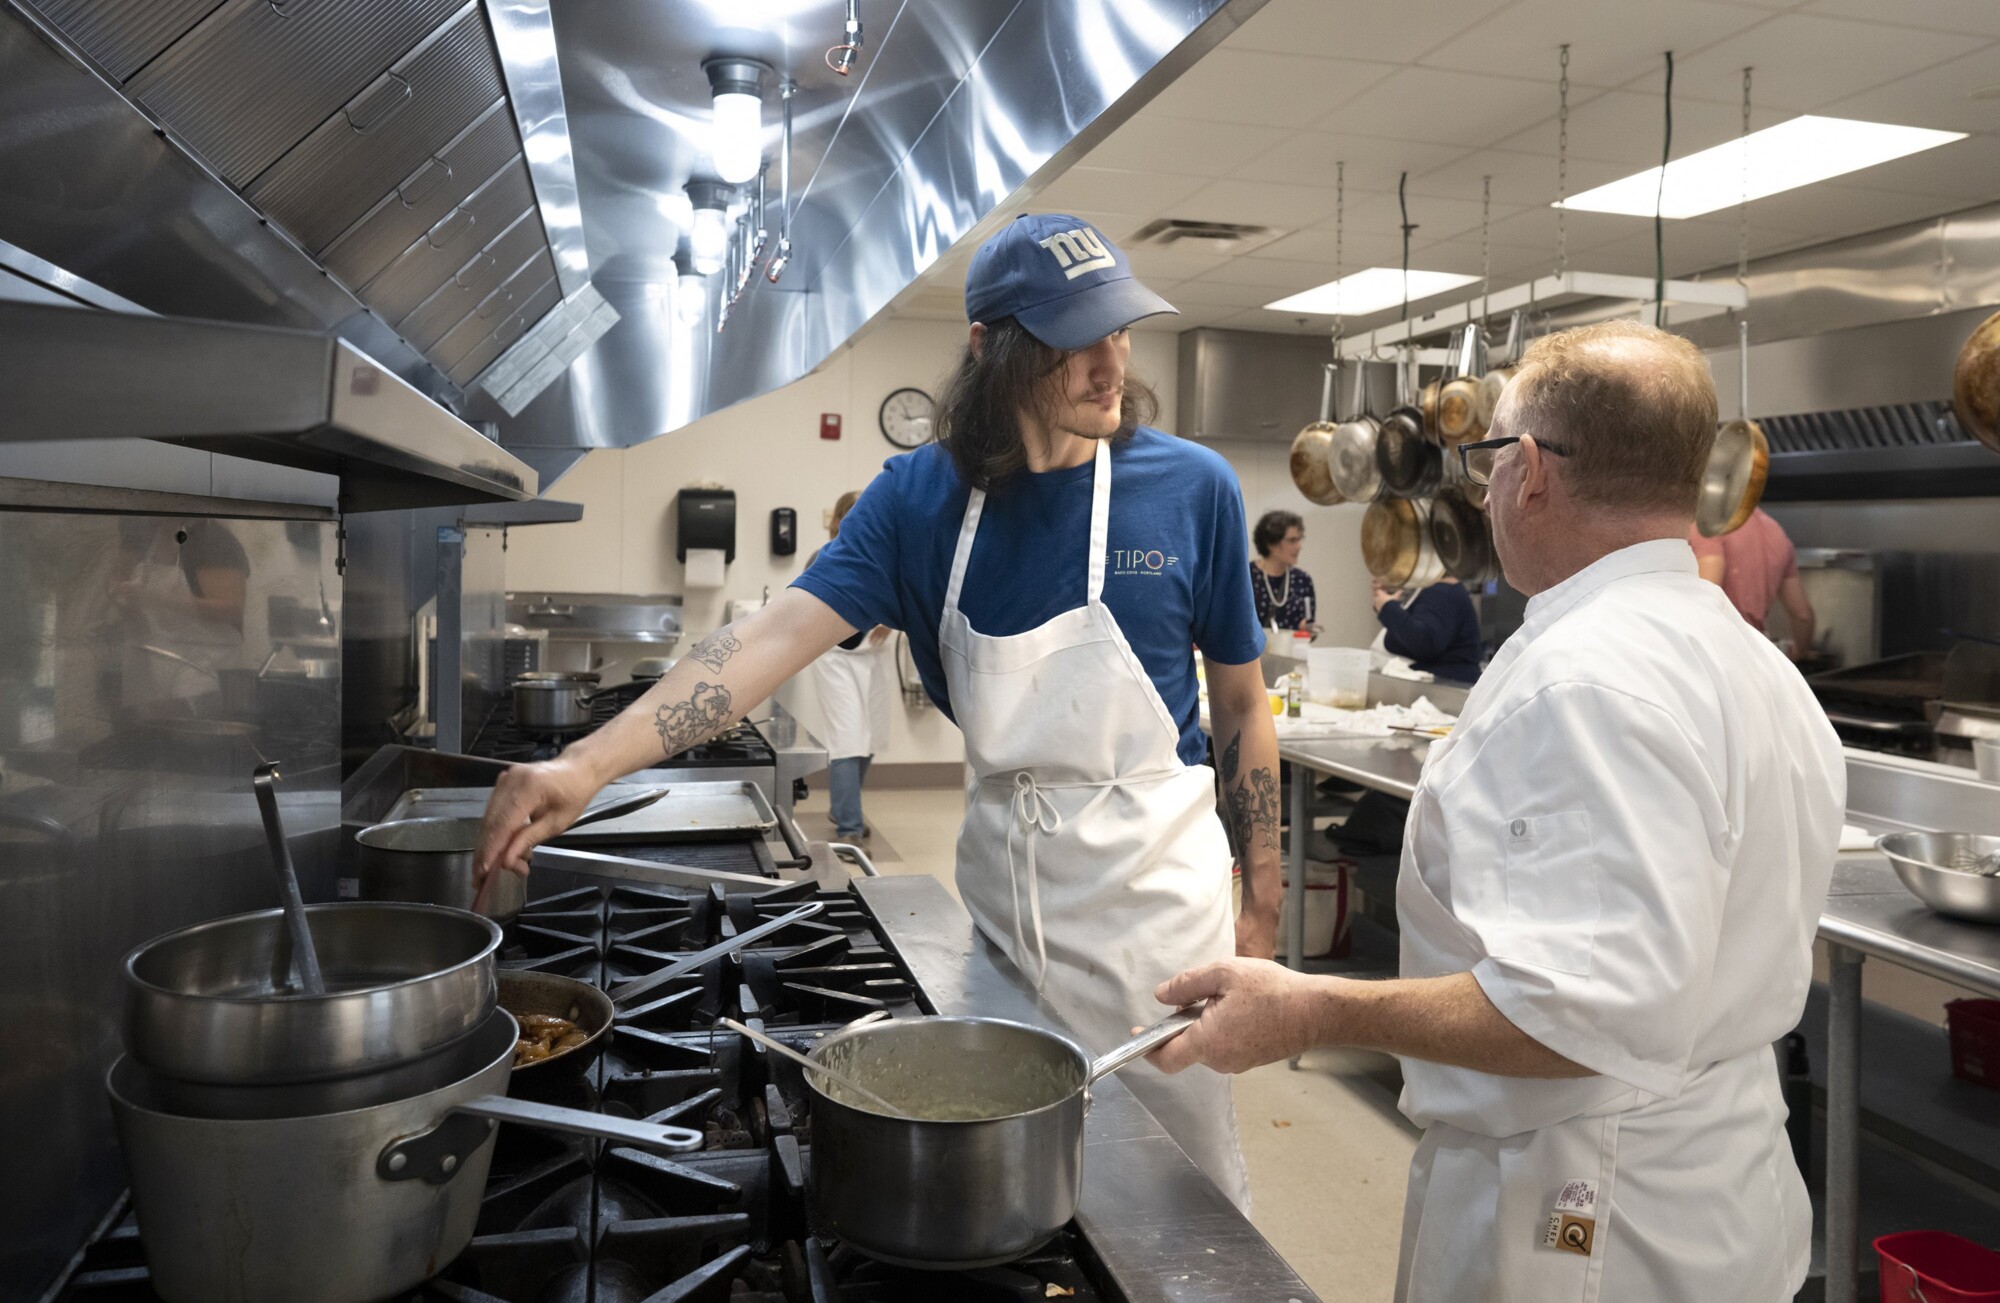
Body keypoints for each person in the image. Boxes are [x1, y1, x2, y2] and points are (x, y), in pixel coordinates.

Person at [471, 213, 1280, 1210]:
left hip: (1154, 902)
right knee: (1014, 1161)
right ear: (989, 346)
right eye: (1075, 338)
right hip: (1004, 895)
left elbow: (1240, 705)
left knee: (1171, 1172)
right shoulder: (916, 498)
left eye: (1119, 328)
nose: (1110, 360)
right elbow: (766, 641)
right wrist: (584, 766)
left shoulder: (1190, 487)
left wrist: (1263, 900)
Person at [1144, 320, 1845, 1300]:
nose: (1477, 489)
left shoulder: (1584, 681)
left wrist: (1312, 1006)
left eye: (1484, 460)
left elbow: (1573, 1015)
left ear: (1526, 470)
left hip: (1577, 1210)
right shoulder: (1752, 665)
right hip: (1717, 1178)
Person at [807, 489, 894, 841]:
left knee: (870, 737)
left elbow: (903, 595)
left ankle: (843, 806)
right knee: (847, 738)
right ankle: (849, 828)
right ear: (840, 520)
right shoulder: (823, 556)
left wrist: (892, 618)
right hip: (836, 660)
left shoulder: (886, 555)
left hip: (872, 657)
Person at [1689, 507, 1817, 659]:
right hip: (1756, 654)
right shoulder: (1774, 530)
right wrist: (1798, 653)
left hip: (1718, 652)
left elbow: (1703, 602)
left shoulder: (1708, 526)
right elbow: (1802, 615)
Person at [1369, 575, 1482, 683]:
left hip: (1445, 690)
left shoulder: (1442, 593)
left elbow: (1426, 641)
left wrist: (1387, 607)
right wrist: (1386, 599)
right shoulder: (1435, 590)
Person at [1251, 510, 1317, 634]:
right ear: (1271, 543)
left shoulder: (1302, 580)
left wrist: (1307, 630)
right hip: (1254, 652)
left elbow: (1309, 628)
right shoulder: (1247, 577)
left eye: (1299, 539)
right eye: (1292, 540)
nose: (1299, 546)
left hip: (1292, 652)